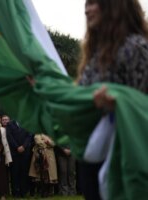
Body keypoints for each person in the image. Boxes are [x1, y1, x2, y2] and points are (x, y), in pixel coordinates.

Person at [77, 0, 148, 199]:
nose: (86, 9)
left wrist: (117, 104)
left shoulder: (136, 48)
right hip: (94, 151)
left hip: (122, 156)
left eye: (93, 3)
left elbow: (142, 106)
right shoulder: (95, 53)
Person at [5, 120, 33, 198]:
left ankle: (23, 191)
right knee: (14, 172)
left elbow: (29, 135)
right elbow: (9, 136)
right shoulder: (10, 124)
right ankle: (15, 192)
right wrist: (17, 147)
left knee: (24, 172)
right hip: (14, 152)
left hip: (25, 152)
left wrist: (24, 146)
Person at [29, 133, 58, 198]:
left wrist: (47, 141)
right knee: (39, 174)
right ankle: (41, 192)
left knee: (49, 174)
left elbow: (54, 143)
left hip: (50, 156)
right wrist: (47, 142)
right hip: (39, 154)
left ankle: (48, 192)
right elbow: (37, 141)